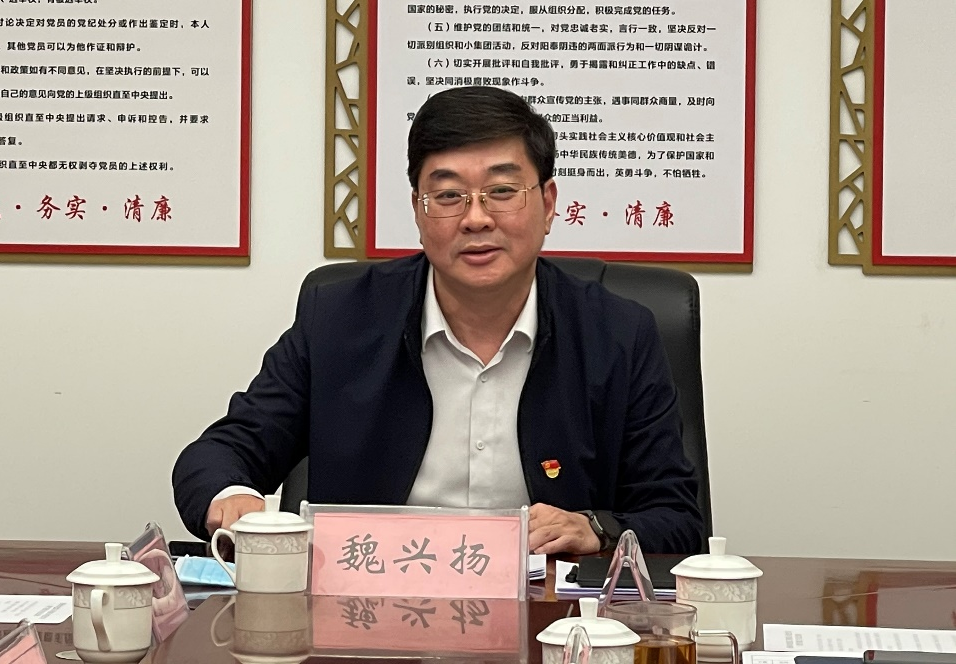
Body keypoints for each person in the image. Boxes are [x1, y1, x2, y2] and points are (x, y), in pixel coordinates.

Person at [172, 86, 703, 554]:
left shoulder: (619, 334)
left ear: (547, 203)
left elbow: (677, 519)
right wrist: (232, 498)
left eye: (501, 191)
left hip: (550, 615)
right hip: (371, 608)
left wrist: (596, 529)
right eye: (448, 196)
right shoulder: (339, 320)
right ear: (419, 210)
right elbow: (219, 454)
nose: (476, 218)